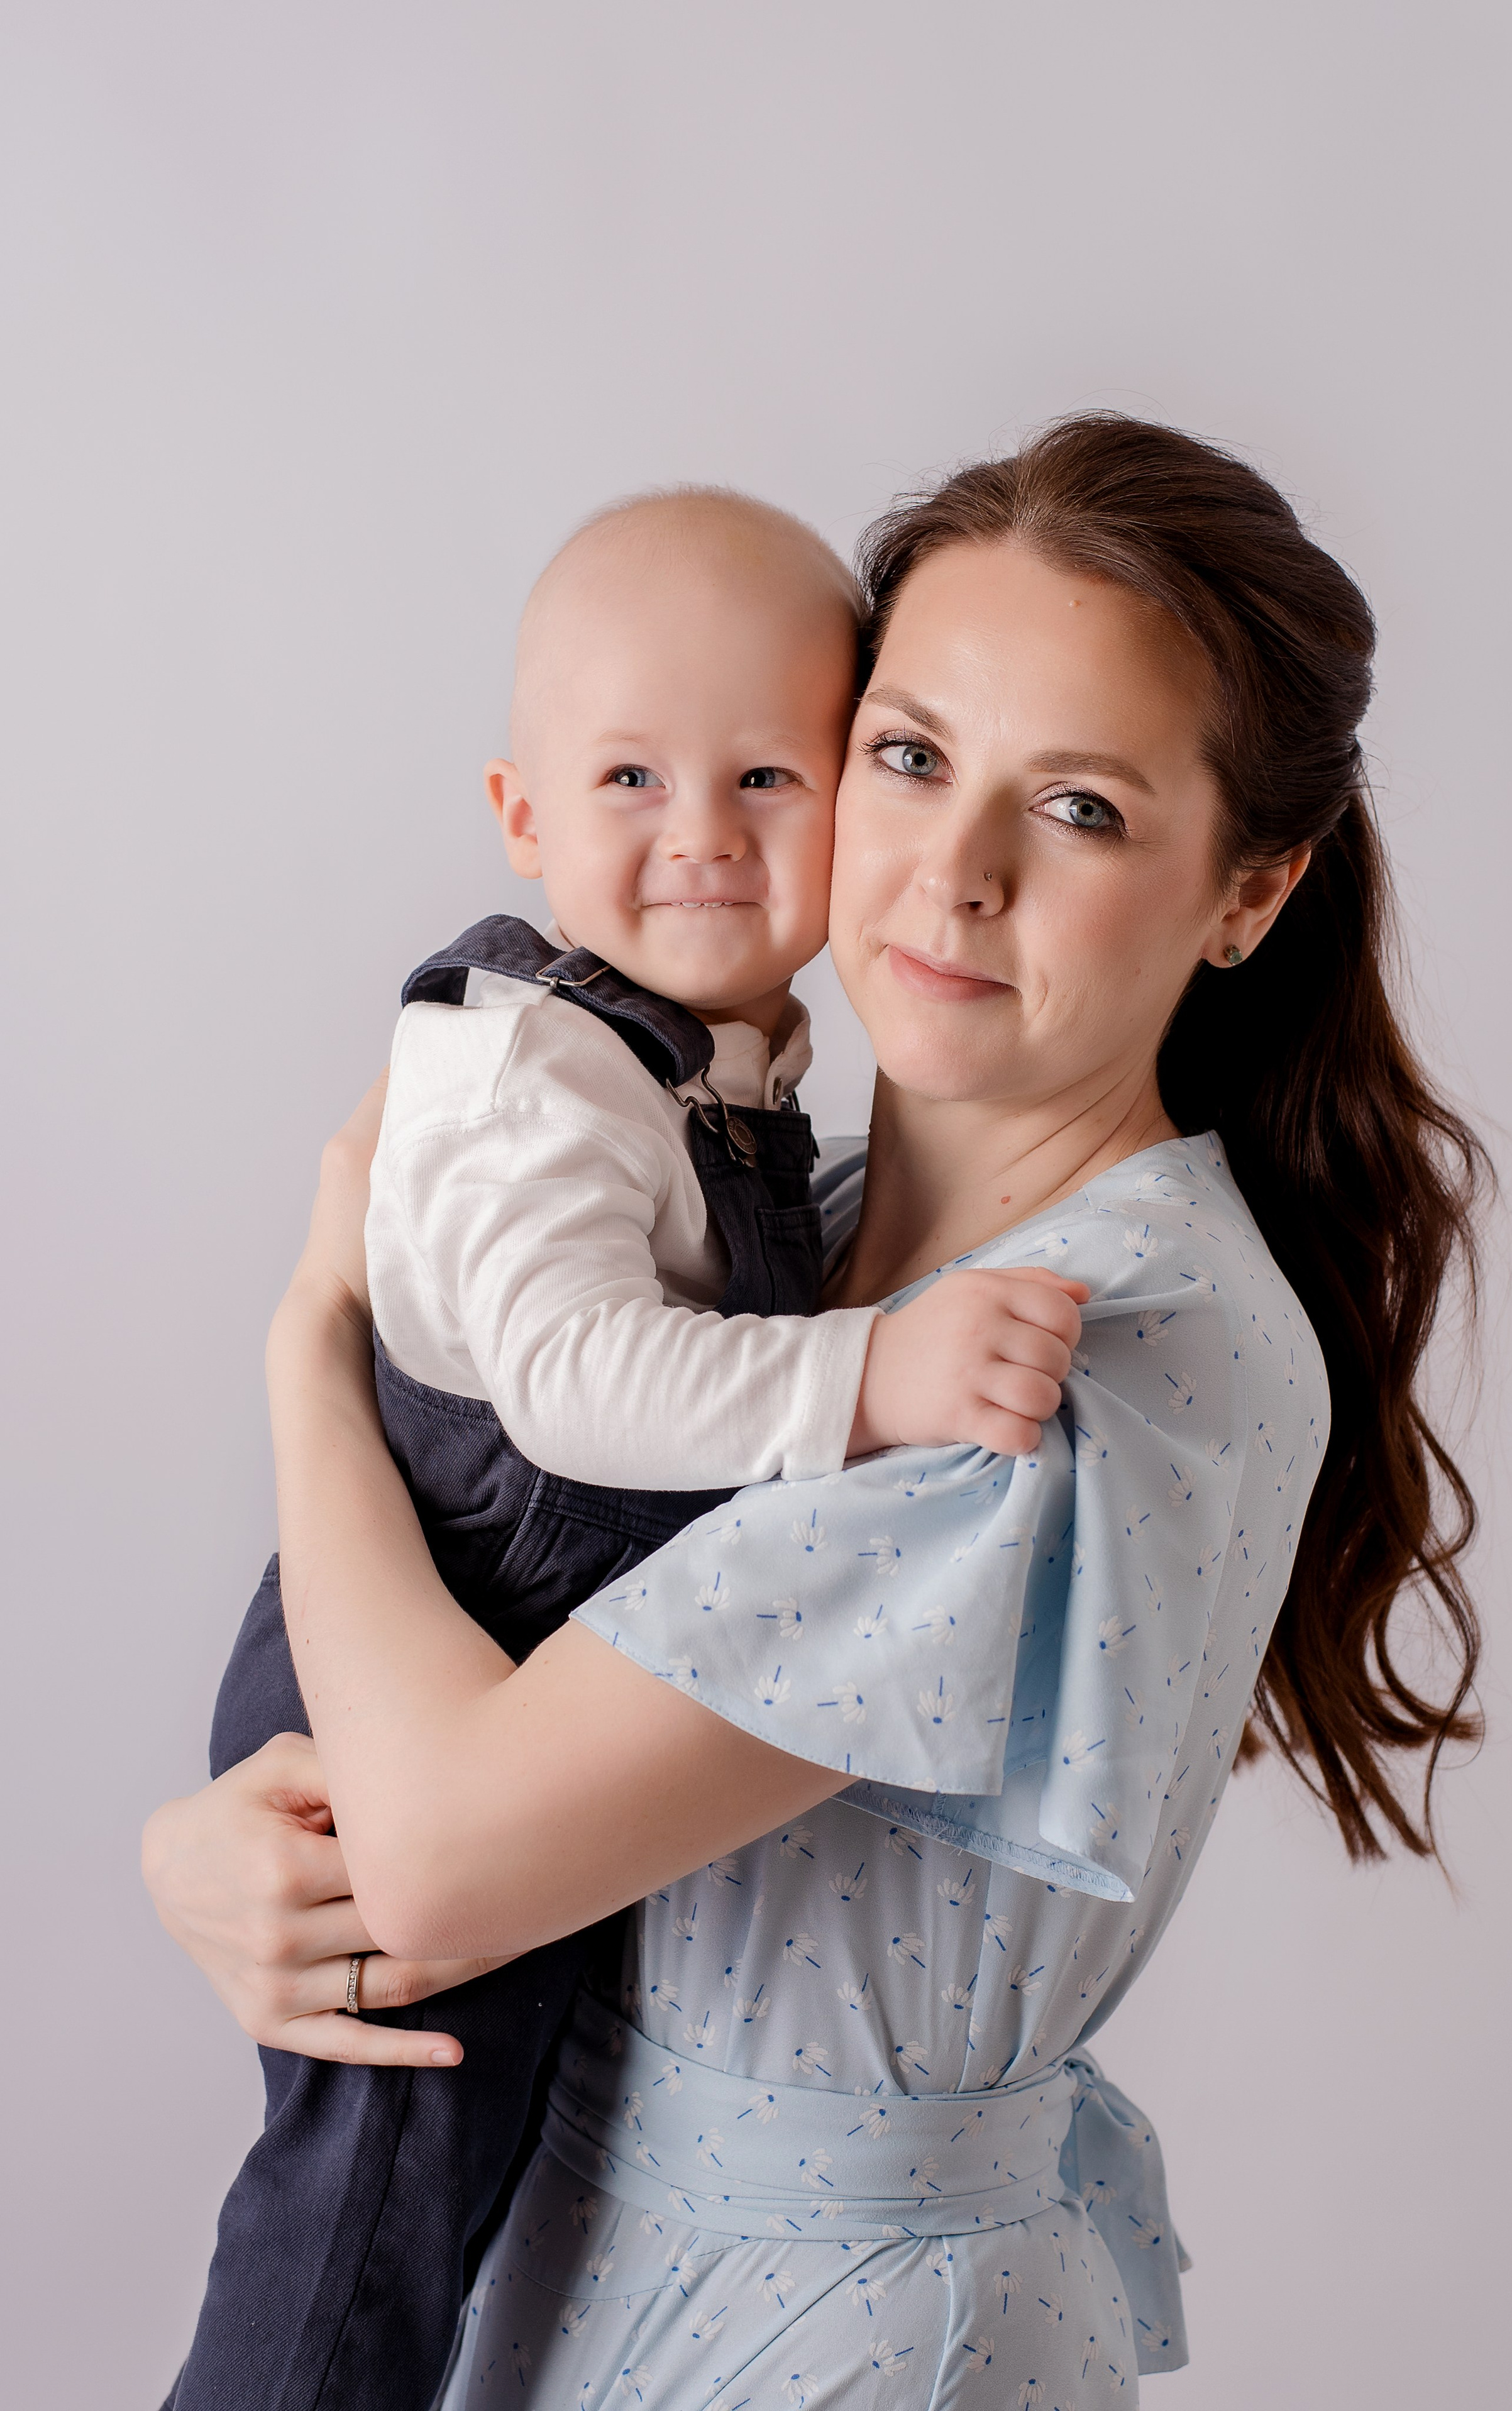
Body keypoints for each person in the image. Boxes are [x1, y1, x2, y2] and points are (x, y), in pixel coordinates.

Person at [145, 414, 1486, 2406]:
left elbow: (440, 1861)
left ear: (1250, 887)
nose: (955, 875)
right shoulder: (814, 1231)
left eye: (1087, 810)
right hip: (576, 2264)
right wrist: (220, 1855)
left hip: (823, 2347)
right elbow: (477, 1747)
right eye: (914, 755)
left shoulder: (1073, 1351)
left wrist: (309, 1349)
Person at [174, 489, 1091, 2411]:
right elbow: (581, 1382)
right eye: (629, 777)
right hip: (415, 1650)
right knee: (370, 2219)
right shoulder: (539, 1067)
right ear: (521, 819)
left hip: (502, 1678)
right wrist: (875, 1375)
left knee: (475, 2210)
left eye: (770, 772)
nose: (701, 835)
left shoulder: (728, 1076)